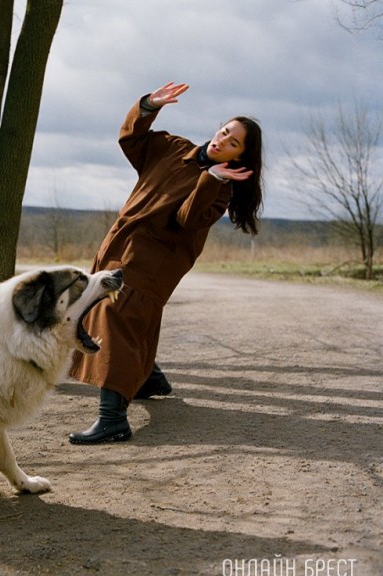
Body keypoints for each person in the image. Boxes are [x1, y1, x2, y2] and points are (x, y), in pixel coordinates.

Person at [68, 82, 264, 445]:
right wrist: (145, 107)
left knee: (116, 317)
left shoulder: (220, 190)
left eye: (233, 143)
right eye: (225, 132)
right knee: (115, 315)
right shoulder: (173, 148)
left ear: (238, 157)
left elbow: (189, 219)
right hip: (117, 247)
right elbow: (132, 141)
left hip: (153, 263)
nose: (222, 141)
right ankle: (148, 378)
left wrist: (211, 179)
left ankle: (112, 419)